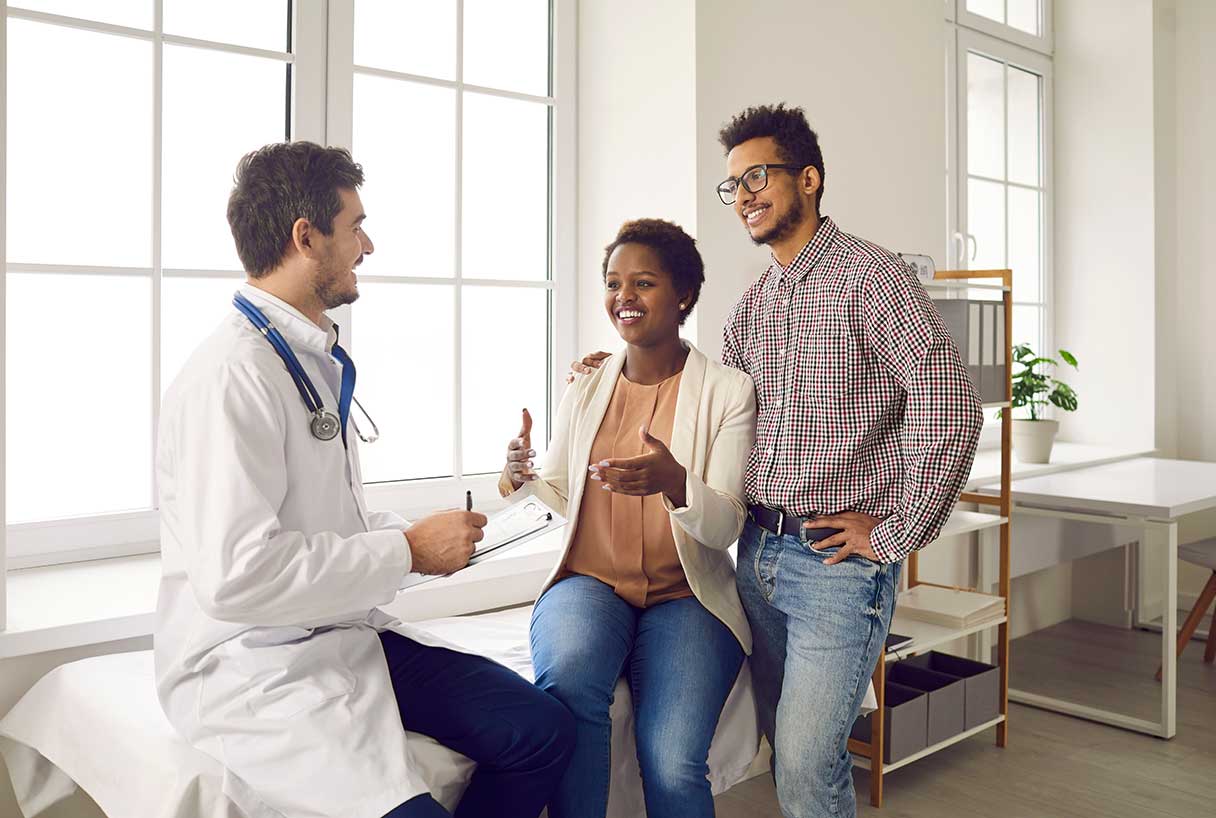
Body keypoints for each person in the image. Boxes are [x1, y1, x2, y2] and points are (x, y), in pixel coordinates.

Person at [572, 105, 984, 817]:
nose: (745, 196)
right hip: (756, 558)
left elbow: (951, 403)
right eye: (733, 186)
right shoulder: (753, 307)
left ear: (811, 179)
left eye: (758, 176)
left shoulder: (874, 277)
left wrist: (891, 535)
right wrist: (613, 372)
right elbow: (711, 403)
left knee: (805, 764)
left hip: (835, 566)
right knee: (782, 747)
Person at [154, 141, 574, 818]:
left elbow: (323, 523)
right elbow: (235, 575)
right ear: (305, 237)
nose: (367, 245)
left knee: (544, 731)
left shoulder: (307, 356)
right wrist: (408, 552)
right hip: (252, 663)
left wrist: (417, 539)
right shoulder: (230, 377)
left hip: (338, 632)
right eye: (355, 227)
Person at [504, 219, 756, 818]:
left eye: (643, 283)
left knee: (670, 761)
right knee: (569, 693)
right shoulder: (587, 385)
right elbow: (568, 496)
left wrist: (675, 483)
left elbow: (725, 527)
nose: (624, 298)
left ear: (684, 294)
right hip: (589, 583)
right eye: (614, 283)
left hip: (685, 596)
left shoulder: (728, 391)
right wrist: (523, 475)